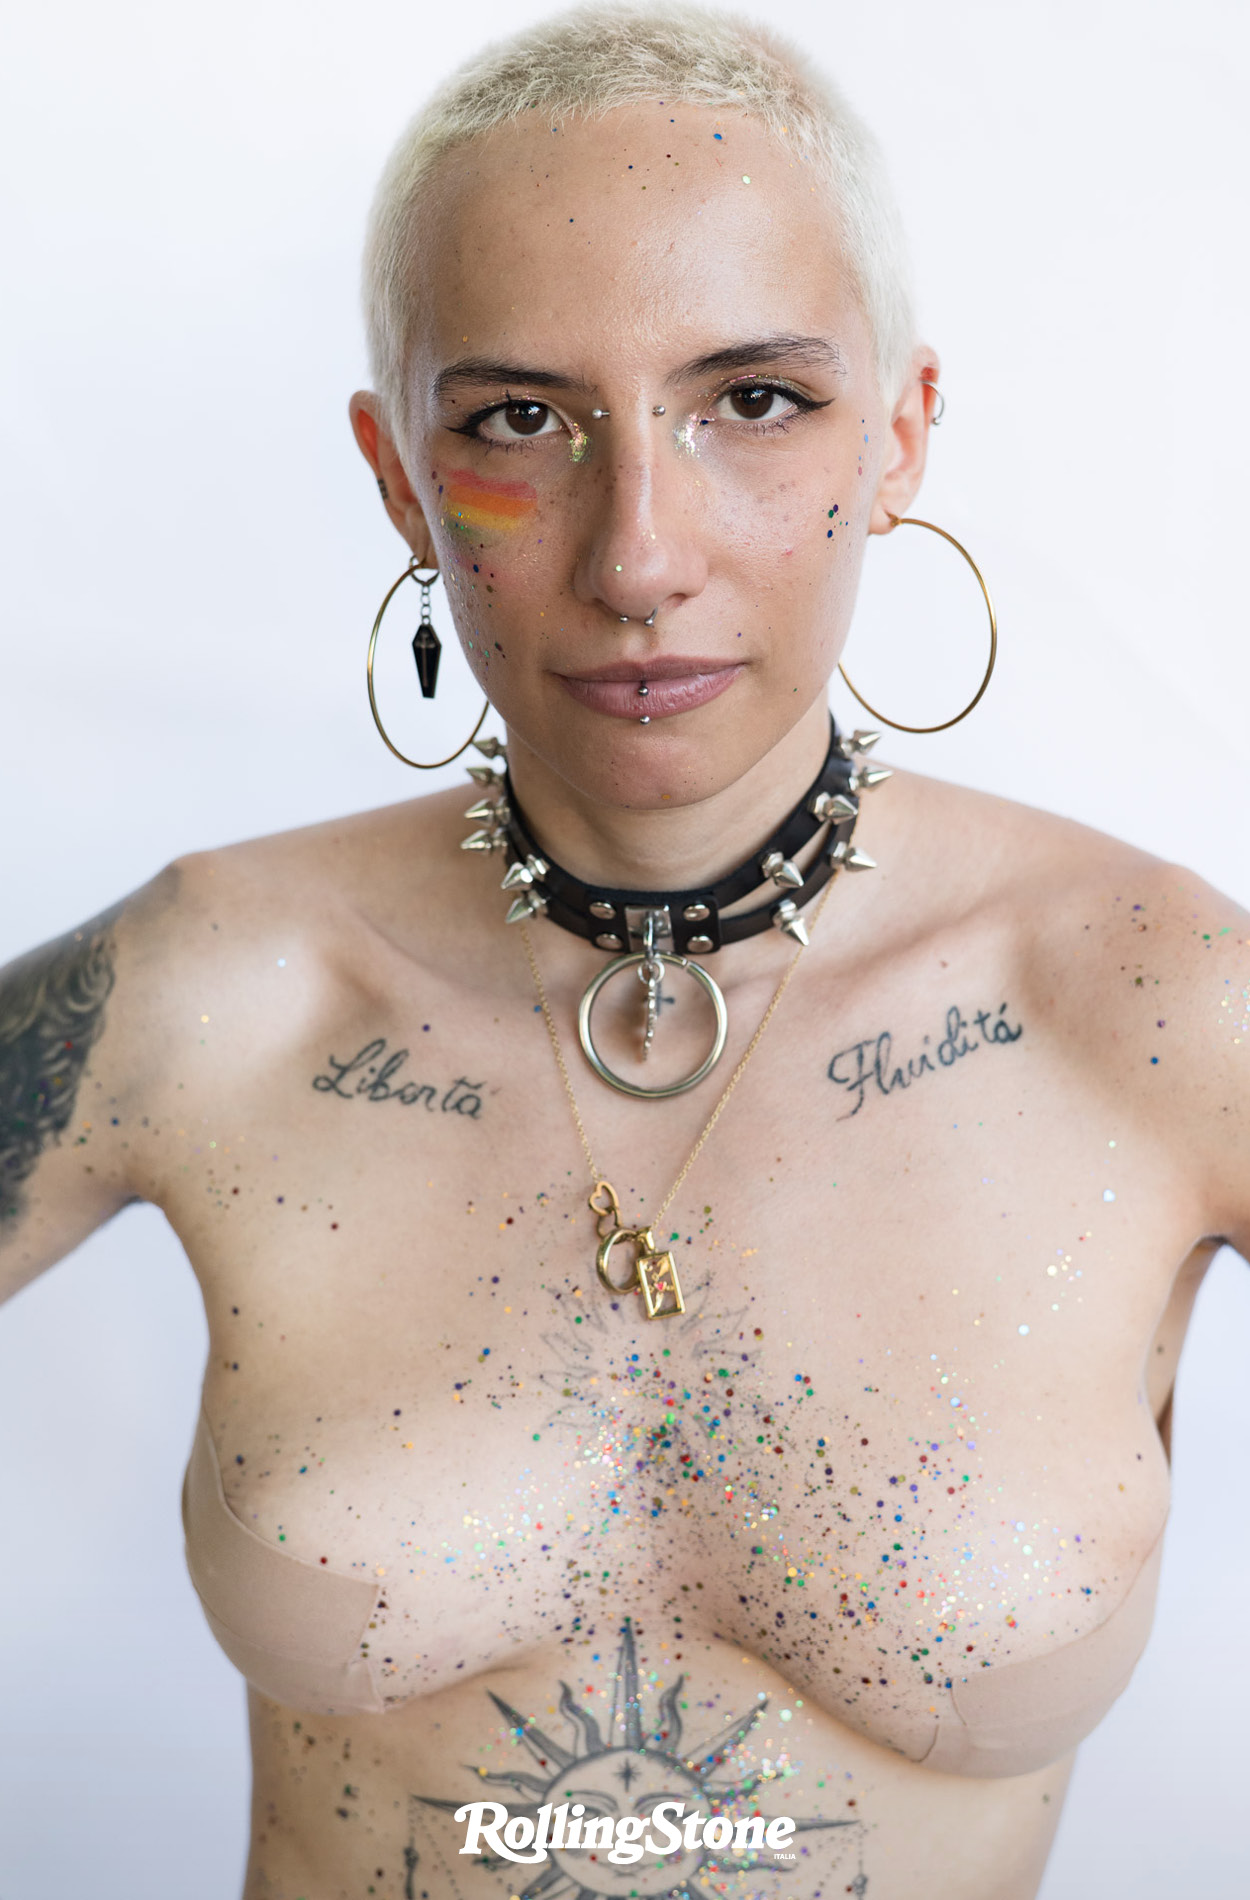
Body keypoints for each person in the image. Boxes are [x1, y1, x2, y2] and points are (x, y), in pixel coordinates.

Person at [2, 6, 1246, 1896]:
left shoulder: (1151, 1011)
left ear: (900, 432)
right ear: (399, 478)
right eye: (518, 420)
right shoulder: (218, 992)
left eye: (753, 401)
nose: (638, 558)